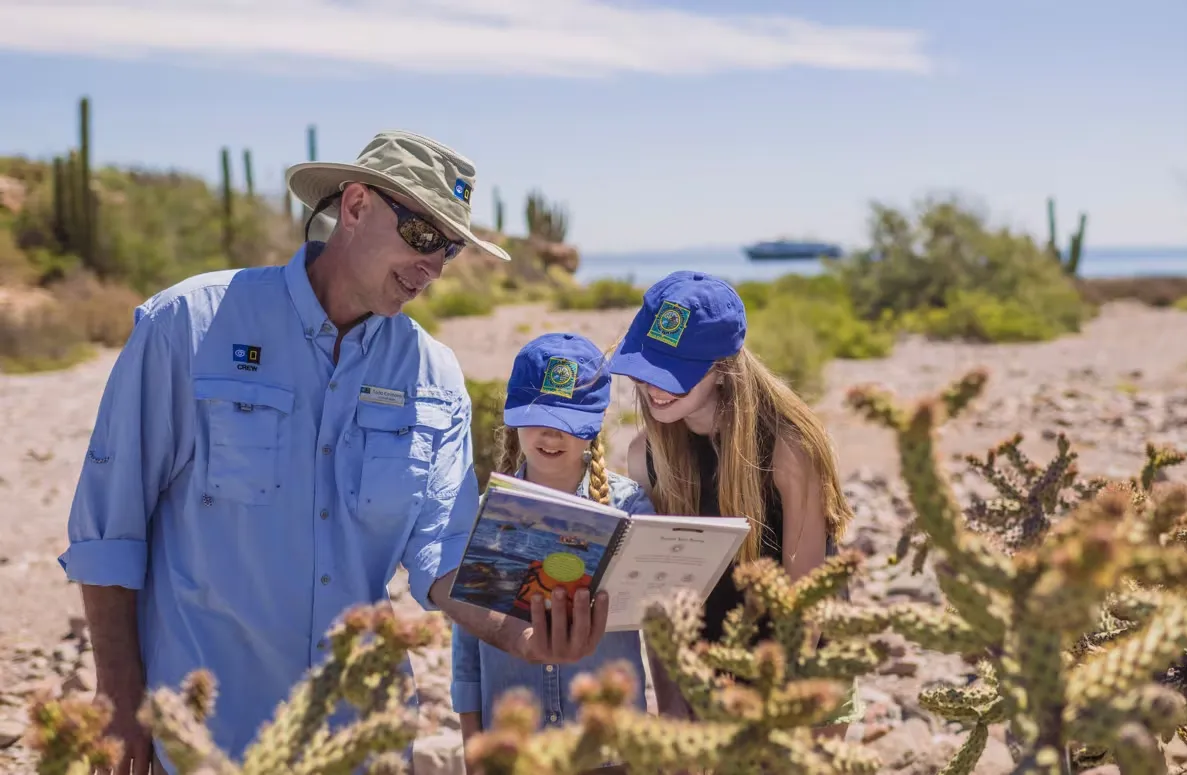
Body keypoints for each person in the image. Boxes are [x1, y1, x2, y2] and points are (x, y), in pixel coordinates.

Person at [59, 130, 608, 775]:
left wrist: (520, 630)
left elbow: (444, 555)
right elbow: (109, 528)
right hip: (202, 737)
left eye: (450, 248)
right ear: (354, 206)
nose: (434, 267)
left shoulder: (436, 375)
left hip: (358, 741)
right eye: (424, 236)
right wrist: (119, 694)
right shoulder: (188, 325)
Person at [605, 270, 859, 733]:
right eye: (646, 368)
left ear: (721, 369)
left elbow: (806, 604)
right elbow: (661, 597)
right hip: (707, 677)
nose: (653, 388)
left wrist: (769, 710)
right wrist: (675, 709)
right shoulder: (645, 455)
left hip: (804, 681)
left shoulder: (789, 447)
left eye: (674, 374)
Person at [451, 332, 651, 775]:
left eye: (567, 420)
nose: (550, 434)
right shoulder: (485, 513)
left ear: (594, 425)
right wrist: (473, 749)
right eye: (536, 417)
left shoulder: (632, 507)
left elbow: (661, 624)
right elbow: (466, 647)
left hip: (611, 751)